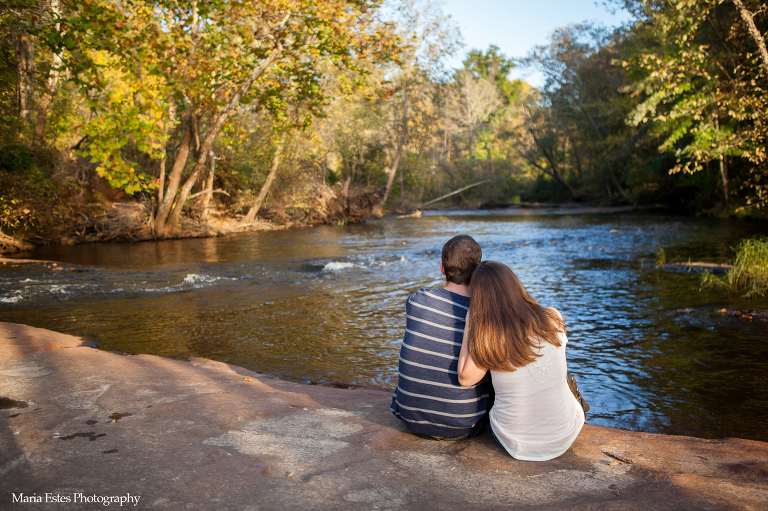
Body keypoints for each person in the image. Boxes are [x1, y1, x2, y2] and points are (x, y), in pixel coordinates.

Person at [457, 261, 585, 460]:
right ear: (514, 285)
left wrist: (471, 321)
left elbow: (465, 378)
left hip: (514, 441)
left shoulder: (490, 337)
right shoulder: (553, 317)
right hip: (566, 433)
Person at [390, 235, 492, 440]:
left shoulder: (417, 300)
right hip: (461, 424)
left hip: (409, 419)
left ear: (442, 268)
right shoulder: (482, 314)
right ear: (479, 269)